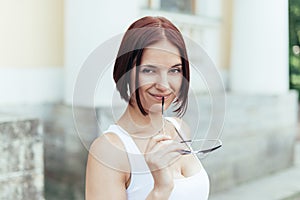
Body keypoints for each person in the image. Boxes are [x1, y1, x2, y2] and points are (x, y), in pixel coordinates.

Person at [85, 16, 210, 200]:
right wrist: (160, 190)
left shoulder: (180, 128)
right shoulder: (108, 152)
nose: (164, 85)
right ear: (125, 72)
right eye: (149, 70)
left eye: (175, 70)